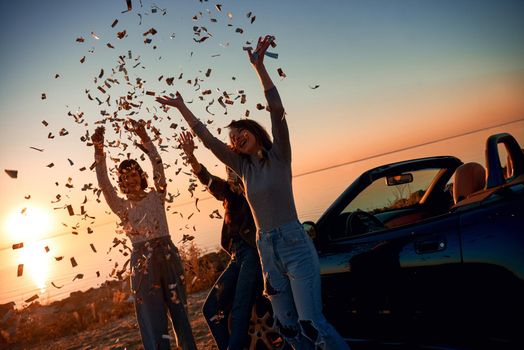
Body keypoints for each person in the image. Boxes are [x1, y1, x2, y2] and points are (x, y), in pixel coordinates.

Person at [156, 35, 349, 349]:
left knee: (312, 325)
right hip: (266, 251)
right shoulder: (242, 169)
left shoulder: (280, 156)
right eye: (232, 139)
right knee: (287, 328)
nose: (235, 140)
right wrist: (181, 107)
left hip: (295, 247)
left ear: (253, 130)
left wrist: (259, 67)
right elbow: (207, 139)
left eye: (240, 132)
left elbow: (276, 110)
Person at [91, 120, 197, 350]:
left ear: (140, 176)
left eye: (133, 175)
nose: (129, 180)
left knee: (181, 315)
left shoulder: (157, 196)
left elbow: (158, 165)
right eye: (124, 177)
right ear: (121, 182)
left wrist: (145, 138)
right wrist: (99, 152)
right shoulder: (121, 206)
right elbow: (104, 184)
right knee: (153, 322)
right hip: (142, 264)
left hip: (168, 256)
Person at [178, 130, 262, 350]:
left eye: (234, 169)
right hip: (237, 257)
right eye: (229, 171)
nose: (231, 175)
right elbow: (208, 179)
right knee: (211, 310)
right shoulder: (229, 194)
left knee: (240, 308)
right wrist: (191, 157)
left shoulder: (254, 190)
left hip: (253, 252)